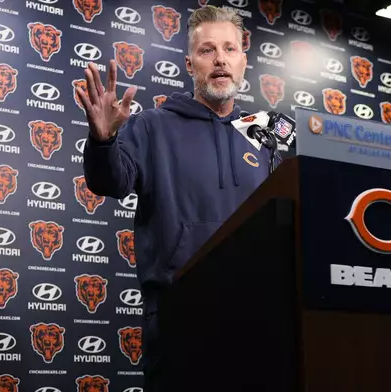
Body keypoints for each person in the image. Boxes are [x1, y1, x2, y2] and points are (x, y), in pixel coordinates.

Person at [77, 5, 275, 391]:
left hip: (258, 313)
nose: (220, 58)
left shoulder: (265, 134)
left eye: (230, 49)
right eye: (207, 50)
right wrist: (103, 141)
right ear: (189, 64)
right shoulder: (152, 125)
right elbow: (110, 182)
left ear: (243, 62)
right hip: (180, 313)